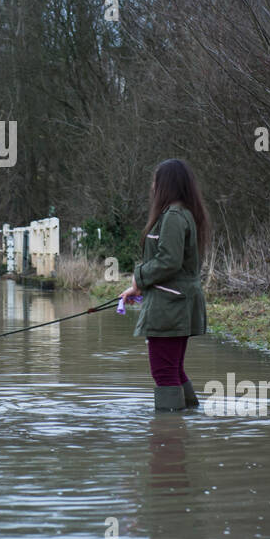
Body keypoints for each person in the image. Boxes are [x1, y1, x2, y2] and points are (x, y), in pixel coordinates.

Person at [120, 158, 210, 412]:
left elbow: (169, 261)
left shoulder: (172, 216)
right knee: (174, 369)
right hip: (177, 302)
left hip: (170, 306)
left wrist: (139, 277)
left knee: (163, 372)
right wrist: (137, 287)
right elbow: (172, 264)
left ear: (166, 185)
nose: (151, 187)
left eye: (155, 181)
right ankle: (189, 418)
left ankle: (168, 436)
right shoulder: (184, 214)